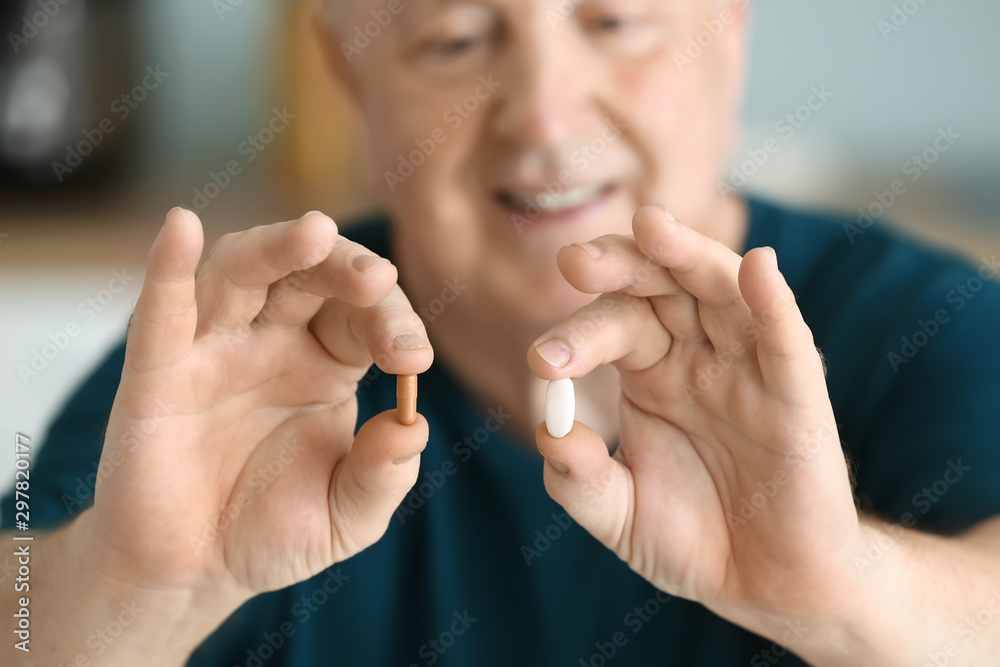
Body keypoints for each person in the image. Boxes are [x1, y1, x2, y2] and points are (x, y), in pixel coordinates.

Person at [4, 1, 1000, 665]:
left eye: (615, 20)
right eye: (456, 40)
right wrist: (123, 585)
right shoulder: (244, 359)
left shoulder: (923, 325)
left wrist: (850, 596)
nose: (544, 117)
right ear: (349, 70)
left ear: (729, 27)